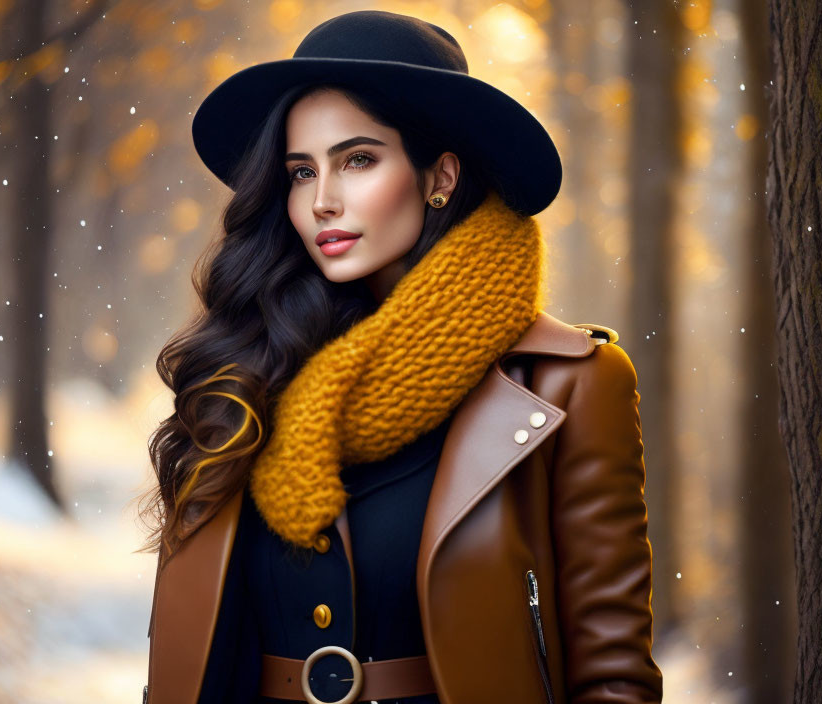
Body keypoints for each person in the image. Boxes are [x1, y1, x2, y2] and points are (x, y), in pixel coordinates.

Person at [141, 10, 664, 704]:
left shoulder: (571, 386)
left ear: (439, 176)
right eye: (301, 172)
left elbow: (613, 673)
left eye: (357, 160)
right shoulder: (250, 365)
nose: (322, 201)